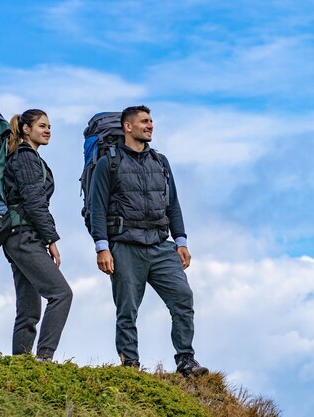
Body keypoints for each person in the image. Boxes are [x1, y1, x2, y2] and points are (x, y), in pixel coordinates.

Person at [90, 105, 208, 376]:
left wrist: (181, 241)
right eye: (144, 121)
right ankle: (130, 366)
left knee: (183, 298)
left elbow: (173, 204)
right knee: (128, 310)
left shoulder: (160, 161)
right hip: (125, 246)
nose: (151, 125)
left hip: (160, 244)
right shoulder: (109, 162)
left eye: (152, 121)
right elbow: (98, 207)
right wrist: (102, 247)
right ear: (127, 127)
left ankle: (186, 360)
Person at [3, 109, 73, 361]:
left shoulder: (22, 157)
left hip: (17, 236)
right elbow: (35, 203)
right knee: (61, 294)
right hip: (24, 236)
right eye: (41, 126)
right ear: (26, 129)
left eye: (49, 127)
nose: (47, 131)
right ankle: (44, 358)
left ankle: (20, 366)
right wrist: (51, 240)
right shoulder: (26, 158)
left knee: (29, 309)